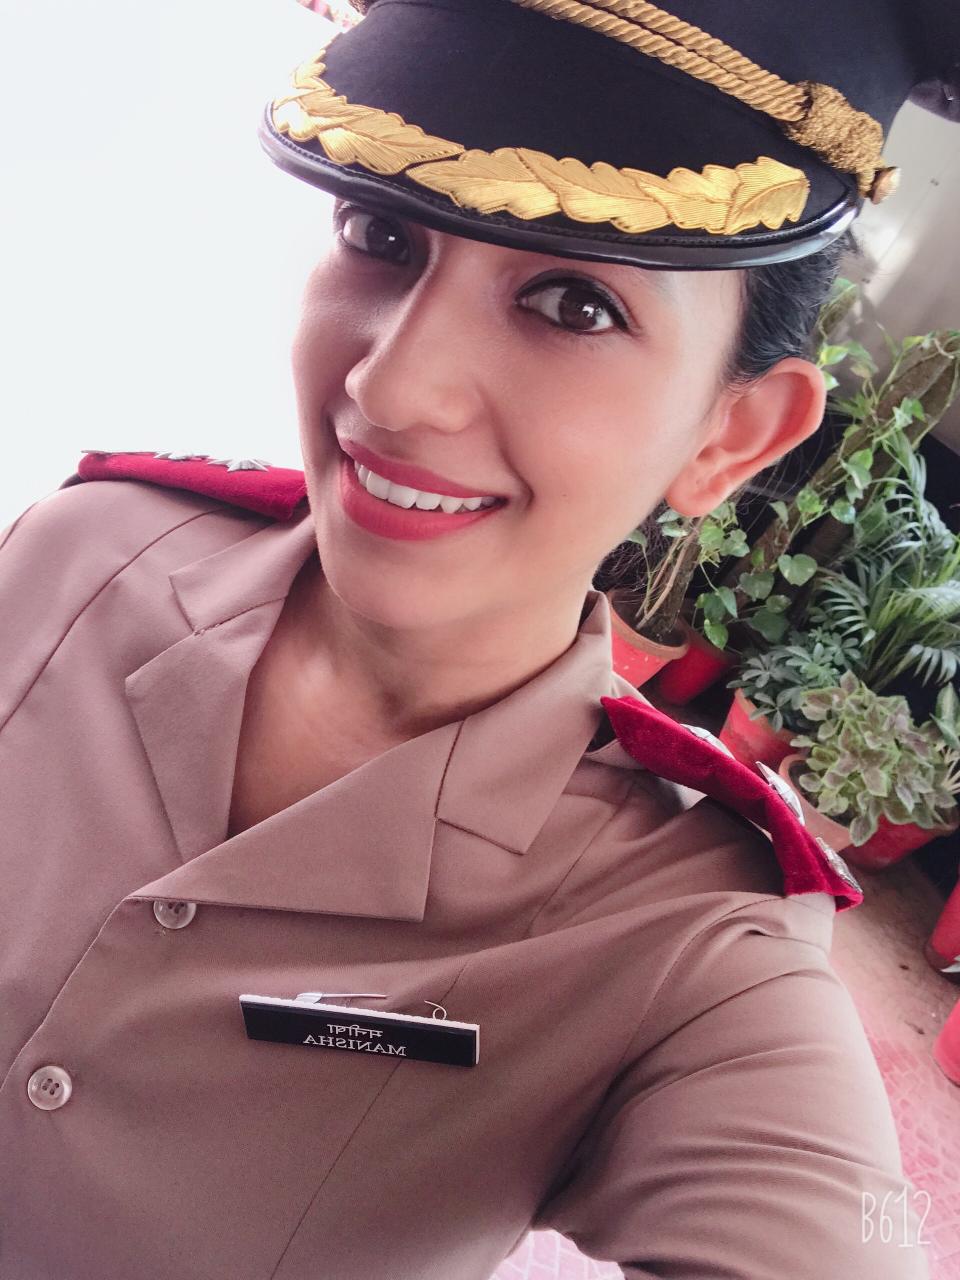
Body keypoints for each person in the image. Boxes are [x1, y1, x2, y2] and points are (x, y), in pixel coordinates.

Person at [1, 1, 955, 1276]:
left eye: (573, 302)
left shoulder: (689, 952)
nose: (391, 389)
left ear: (732, 435)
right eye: (382, 234)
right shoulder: (80, 550)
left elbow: (849, 1231)